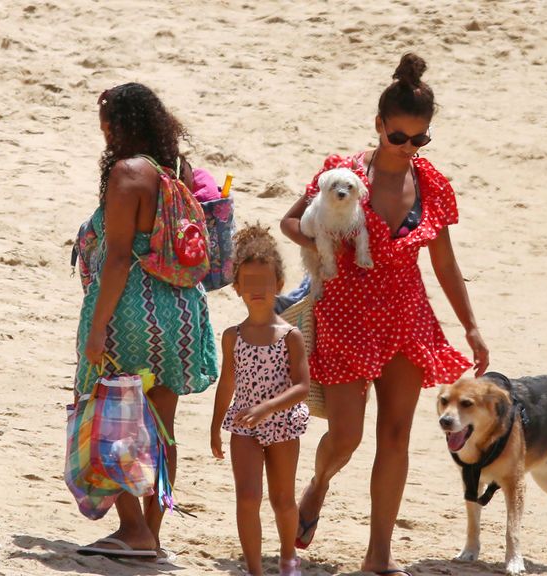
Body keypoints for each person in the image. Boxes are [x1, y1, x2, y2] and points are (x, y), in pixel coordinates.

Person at [279, 53, 489, 575]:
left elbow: (443, 259)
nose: (409, 149)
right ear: (379, 126)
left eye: (421, 139)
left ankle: (379, 555)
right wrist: (323, 235)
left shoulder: (433, 184)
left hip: (406, 316)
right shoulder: (342, 174)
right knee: (346, 435)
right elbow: (290, 222)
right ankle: (319, 485)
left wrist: (471, 325)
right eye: (400, 137)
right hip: (346, 310)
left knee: (395, 437)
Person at [74, 83, 218, 560]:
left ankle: (132, 526)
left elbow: (118, 258)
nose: (105, 135)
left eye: (107, 126)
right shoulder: (175, 172)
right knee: (161, 424)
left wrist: (97, 328)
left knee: (111, 415)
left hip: (132, 309)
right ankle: (151, 534)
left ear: (121, 126)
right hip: (179, 310)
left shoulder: (126, 174)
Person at [210, 225, 310, 576]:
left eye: (263, 282)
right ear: (236, 287)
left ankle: (288, 558)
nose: (255, 290)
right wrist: (215, 428)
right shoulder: (232, 336)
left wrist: (268, 407)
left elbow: (302, 387)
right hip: (243, 426)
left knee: (283, 500)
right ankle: (254, 570)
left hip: (283, 424)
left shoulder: (290, 336)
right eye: (247, 283)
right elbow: (227, 382)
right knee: (247, 498)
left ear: (279, 285)